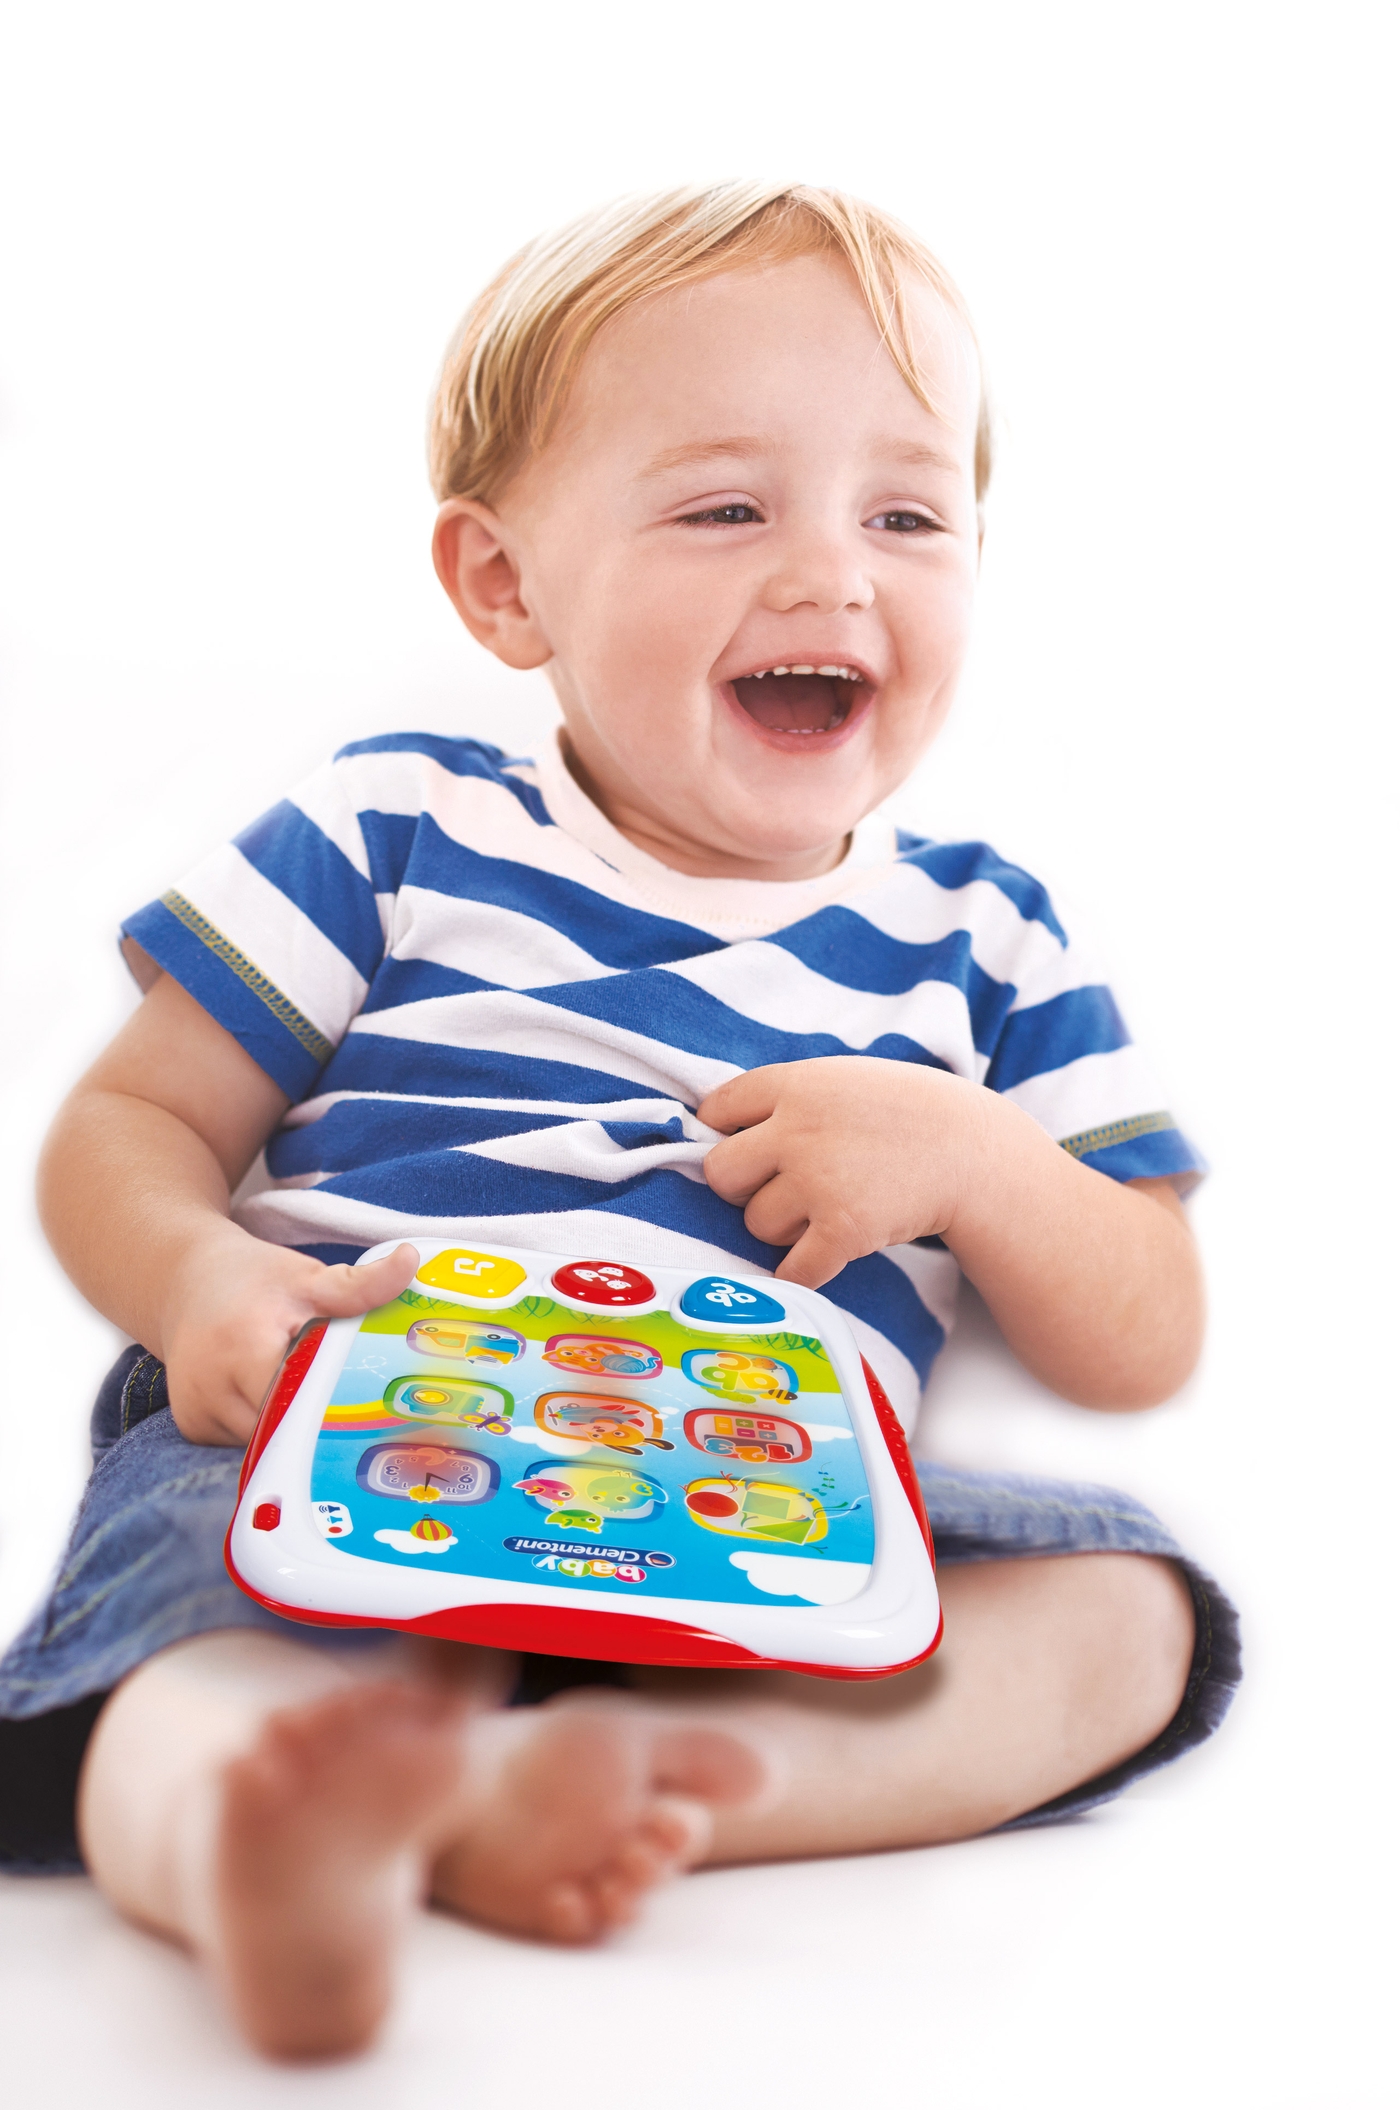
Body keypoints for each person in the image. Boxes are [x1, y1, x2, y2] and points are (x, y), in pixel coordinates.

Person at [0, 182, 1239, 2060]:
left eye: (907, 516)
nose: (834, 576)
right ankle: (248, 1825)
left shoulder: (987, 934)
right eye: (728, 507)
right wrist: (194, 1289)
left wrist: (982, 1160)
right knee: (192, 1628)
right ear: (507, 585)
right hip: (353, 1420)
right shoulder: (397, 823)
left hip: (772, 1492)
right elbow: (129, 1124)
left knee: (1129, 1608)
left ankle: (587, 1785)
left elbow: (1144, 1327)